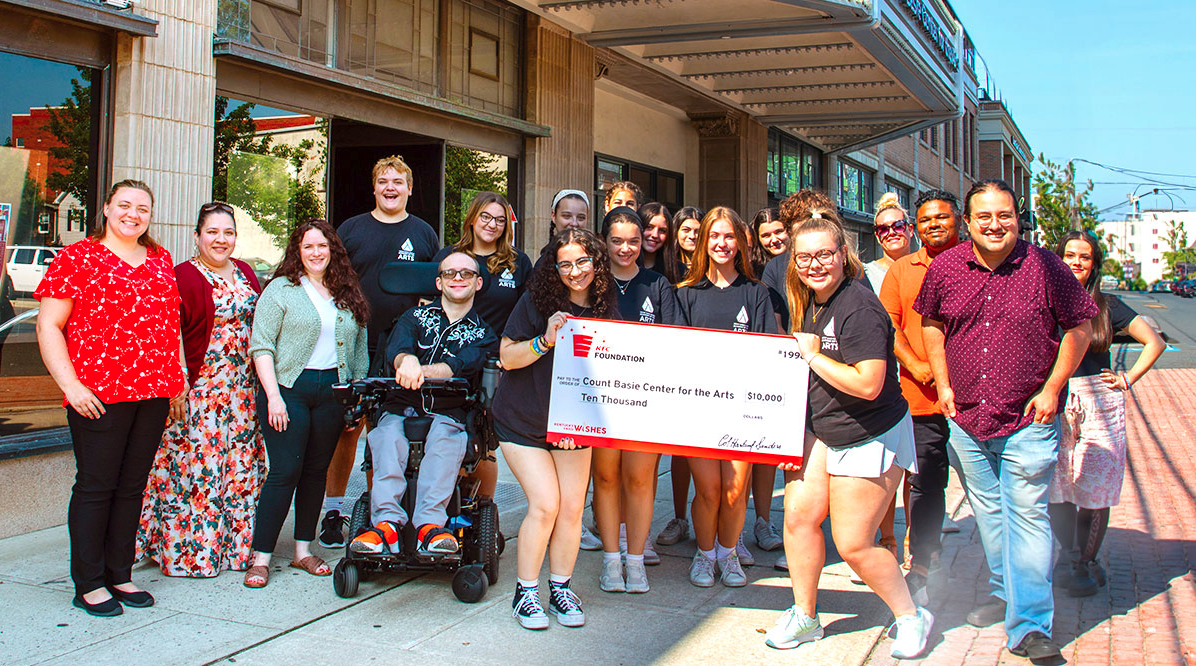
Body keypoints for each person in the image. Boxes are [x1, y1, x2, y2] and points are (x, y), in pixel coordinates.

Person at [914, 180, 1097, 662]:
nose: (995, 225)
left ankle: (1031, 625)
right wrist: (943, 381)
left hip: (1029, 418)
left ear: (1019, 219)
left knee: (1028, 517)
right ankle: (1004, 591)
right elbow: (931, 323)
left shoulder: (1046, 267)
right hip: (967, 417)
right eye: (984, 217)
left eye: (1005, 216)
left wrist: (1053, 388)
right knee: (991, 516)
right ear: (968, 223)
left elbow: (1080, 324)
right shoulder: (946, 268)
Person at [765, 208, 932, 659]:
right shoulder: (810, 299)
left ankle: (912, 616)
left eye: (824, 255)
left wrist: (814, 357)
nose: (814, 265)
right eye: (804, 258)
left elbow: (869, 383)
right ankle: (806, 615)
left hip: (870, 431)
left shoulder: (858, 305)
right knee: (799, 518)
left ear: (843, 254)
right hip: (824, 428)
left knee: (855, 544)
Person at [35, 179, 187, 616]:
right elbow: (48, 327)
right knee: (96, 487)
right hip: (98, 396)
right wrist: (72, 386)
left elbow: (169, 325)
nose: (132, 214)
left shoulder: (159, 259)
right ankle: (88, 582)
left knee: (131, 487)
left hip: (153, 394)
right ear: (105, 209)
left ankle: (120, 573)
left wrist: (177, 378)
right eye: (124, 205)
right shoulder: (77, 257)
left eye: (142, 208)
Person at [493, 227, 619, 630]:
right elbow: (507, 358)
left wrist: (580, 424)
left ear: (596, 262)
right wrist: (544, 340)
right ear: (554, 267)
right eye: (565, 263)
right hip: (523, 418)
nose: (574, 271)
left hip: (572, 422)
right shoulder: (536, 301)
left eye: (582, 261)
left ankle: (561, 589)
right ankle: (526, 591)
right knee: (545, 504)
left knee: (569, 511)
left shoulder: (606, 303)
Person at [138, 202, 266, 578]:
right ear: (197, 236)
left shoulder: (245, 272)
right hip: (199, 391)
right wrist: (176, 387)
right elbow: (167, 336)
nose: (220, 240)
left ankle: (234, 549)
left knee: (238, 471)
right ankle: (193, 554)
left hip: (242, 392)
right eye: (212, 232)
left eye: (228, 233)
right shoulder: (182, 276)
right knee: (196, 473)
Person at [321, 155, 440, 548]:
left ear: (409, 189)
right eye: (384, 181)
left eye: (398, 182)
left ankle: (378, 514)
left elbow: (436, 291)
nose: (391, 187)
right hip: (353, 342)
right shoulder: (351, 229)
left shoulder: (423, 233)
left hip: (402, 350)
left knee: (385, 432)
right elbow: (330, 282)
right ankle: (333, 512)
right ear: (374, 188)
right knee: (347, 429)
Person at [244, 219, 370, 588]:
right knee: (285, 471)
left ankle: (303, 550)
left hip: (332, 391)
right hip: (289, 389)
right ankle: (261, 557)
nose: (316, 253)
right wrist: (274, 398)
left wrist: (354, 400)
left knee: (316, 472)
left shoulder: (345, 291)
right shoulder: (281, 290)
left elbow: (359, 351)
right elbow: (262, 346)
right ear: (297, 252)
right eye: (308, 246)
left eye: (322, 246)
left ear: (333, 251)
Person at [349, 252, 498, 556]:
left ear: (478, 282)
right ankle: (386, 526)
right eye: (450, 273)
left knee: (445, 440)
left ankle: (430, 526)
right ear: (438, 282)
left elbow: (456, 367)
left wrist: (420, 371)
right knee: (387, 436)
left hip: (450, 411)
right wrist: (408, 361)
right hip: (400, 406)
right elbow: (399, 351)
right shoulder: (412, 318)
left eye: (466, 274)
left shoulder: (485, 334)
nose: (458, 278)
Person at [1049, 231, 1163, 597]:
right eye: (1069, 255)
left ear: (1094, 264)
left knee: (1094, 489)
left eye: (1084, 257)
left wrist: (1128, 379)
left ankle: (1085, 562)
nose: (1076, 262)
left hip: (1100, 402)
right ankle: (1068, 556)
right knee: (1058, 487)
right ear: (1059, 258)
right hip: (1056, 400)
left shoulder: (1108, 305)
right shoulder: (1044, 299)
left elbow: (1154, 342)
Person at [676, 206, 775, 587]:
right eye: (714, 236)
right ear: (703, 242)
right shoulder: (685, 294)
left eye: (729, 236)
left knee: (735, 492)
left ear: (741, 243)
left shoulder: (756, 294)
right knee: (710, 488)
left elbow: (768, 354)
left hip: (742, 412)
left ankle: (729, 552)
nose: (721, 243)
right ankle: (704, 555)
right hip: (697, 410)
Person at [877, 190, 963, 606]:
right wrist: (912, 363)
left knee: (985, 487)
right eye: (925, 219)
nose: (933, 225)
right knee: (926, 482)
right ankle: (923, 565)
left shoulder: (977, 263)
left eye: (941, 218)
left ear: (958, 221)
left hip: (975, 400)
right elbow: (888, 325)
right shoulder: (903, 271)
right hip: (919, 398)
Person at [594, 207, 681, 594]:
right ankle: (612, 561)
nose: (626, 248)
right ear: (604, 242)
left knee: (640, 480)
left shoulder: (657, 285)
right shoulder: (591, 283)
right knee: (607, 478)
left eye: (632, 240)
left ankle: (635, 562)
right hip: (599, 402)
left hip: (646, 403)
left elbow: (675, 339)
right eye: (617, 241)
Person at [434, 192, 532, 502]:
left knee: (483, 444)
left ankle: (484, 517)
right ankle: (443, 514)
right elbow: (428, 308)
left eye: (500, 220)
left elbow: (527, 314)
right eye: (486, 217)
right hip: (452, 362)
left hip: (493, 365)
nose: (492, 224)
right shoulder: (449, 257)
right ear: (473, 218)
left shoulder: (518, 263)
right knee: (445, 438)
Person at [860, 192, 915, 577]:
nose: (891, 233)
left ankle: (915, 540)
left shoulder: (929, 266)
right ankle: (886, 539)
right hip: (881, 377)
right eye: (883, 228)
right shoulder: (866, 273)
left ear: (909, 229)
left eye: (898, 226)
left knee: (917, 469)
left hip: (919, 378)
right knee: (883, 468)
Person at [654, 204, 705, 549]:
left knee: (699, 449)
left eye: (697, 231)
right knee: (673, 449)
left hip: (701, 364)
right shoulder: (663, 269)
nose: (692, 236)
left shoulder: (709, 266)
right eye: (685, 230)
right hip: (665, 364)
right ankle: (679, 517)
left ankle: (707, 515)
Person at [745, 206, 787, 556]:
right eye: (766, 235)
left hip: (785, 363)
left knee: (769, 452)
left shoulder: (797, 263)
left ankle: (763, 519)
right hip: (756, 365)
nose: (775, 239)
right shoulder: (754, 272)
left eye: (779, 231)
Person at [637, 202, 671, 273]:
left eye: (662, 231)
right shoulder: (621, 266)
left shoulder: (678, 271)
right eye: (649, 227)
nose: (655, 235)